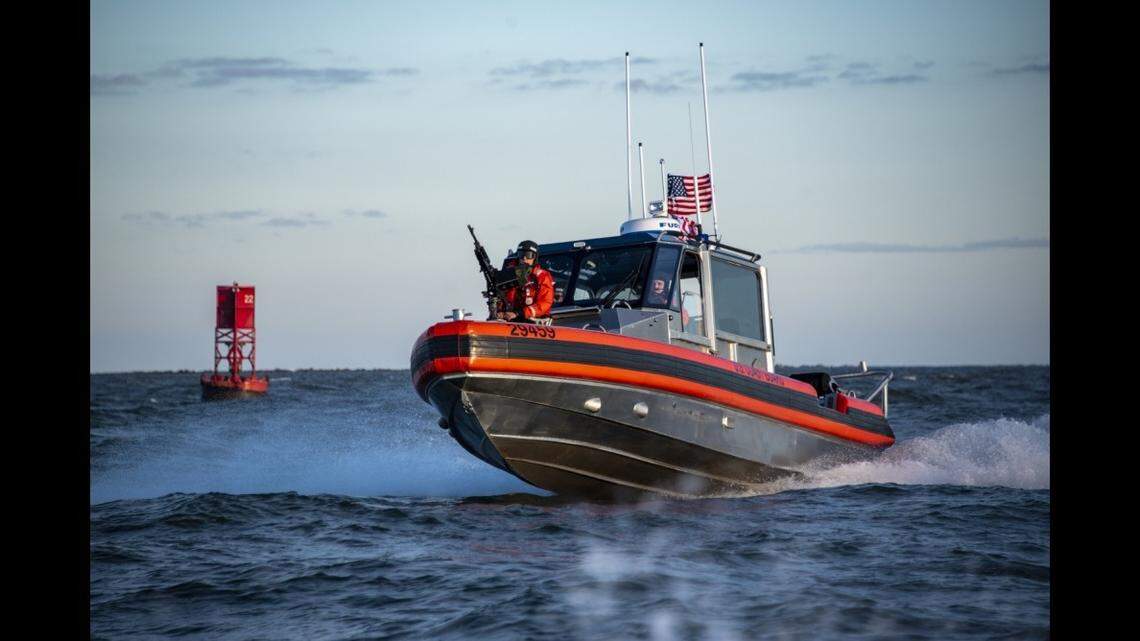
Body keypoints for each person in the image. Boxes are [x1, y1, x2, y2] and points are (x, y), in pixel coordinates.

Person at [497, 240, 554, 322]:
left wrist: (519, 313)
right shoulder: (510, 275)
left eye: (528, 255)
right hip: (511, 319)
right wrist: (500, 311)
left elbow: (545, 302)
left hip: (534, 321)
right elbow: (503, 296)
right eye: (521, 254)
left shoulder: (542, 277)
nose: (524, 258)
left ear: (535, 257)